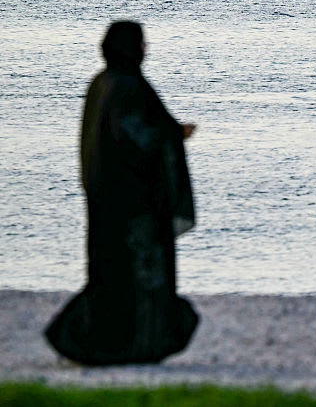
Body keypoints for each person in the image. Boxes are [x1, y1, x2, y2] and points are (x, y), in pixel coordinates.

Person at [45, 21, 200, 365]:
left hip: (106, 200)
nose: (146, 50)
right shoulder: (126, 86)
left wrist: (170, 133)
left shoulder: (103, 83)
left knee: (110, 271)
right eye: (142, 44)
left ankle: (103, 342)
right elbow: (135, 139)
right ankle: (126, 344)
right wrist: (174, 136)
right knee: (134, 274)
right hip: (134, 205)